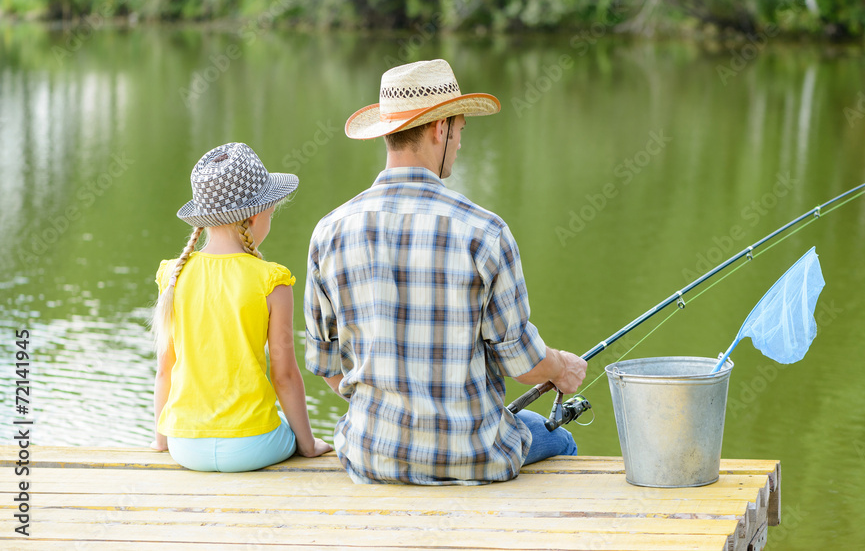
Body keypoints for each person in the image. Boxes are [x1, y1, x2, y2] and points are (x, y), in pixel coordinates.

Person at [304, 59, 587, 485]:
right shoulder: (485, 232)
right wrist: (562, 368)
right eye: (460, 131)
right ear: (441, 129)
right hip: (473, 458)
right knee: (560, 441)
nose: (459, 145)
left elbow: (327, 364)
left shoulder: (329, 232)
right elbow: (524, 365)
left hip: (369, 455)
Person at [150, 142, 332, 471]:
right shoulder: (271, 281)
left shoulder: (174, 275)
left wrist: (163, 441)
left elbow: (165, 368)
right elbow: (286, 376)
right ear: (253, 218)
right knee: (284, 430)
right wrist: (307, 445)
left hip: (185, 446)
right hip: (252, 446)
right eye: (271, 214)